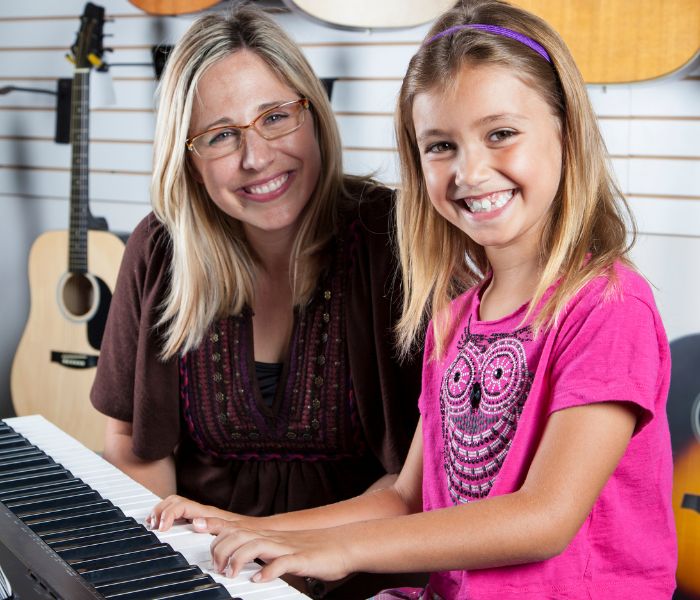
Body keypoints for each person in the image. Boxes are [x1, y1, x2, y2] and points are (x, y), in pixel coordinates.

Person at [147, 1, 678, 598]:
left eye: (500, 134)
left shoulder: (608, 306)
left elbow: (545, 519)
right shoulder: (453, 318)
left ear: (565, 128)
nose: (470, 172)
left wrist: (338, 550)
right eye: (440, 146)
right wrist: (250, 528)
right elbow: (405, 498)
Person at [90, 5, 423, 596]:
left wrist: (259, 535)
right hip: (204, 567)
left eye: (275, 117)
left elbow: (417, 484)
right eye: (220, 136)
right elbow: (135, 449)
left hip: (362, 571)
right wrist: (162, 569)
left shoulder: (395, 236)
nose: (256, 157)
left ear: (313, 114)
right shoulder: (159, 247)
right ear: (188, 160)